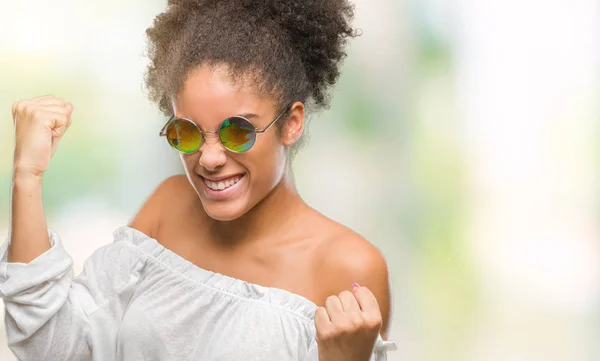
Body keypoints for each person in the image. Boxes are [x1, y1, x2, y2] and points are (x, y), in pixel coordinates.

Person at [0, 0, 397, 360]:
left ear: (291, 124)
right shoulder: (168, 207)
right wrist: (27, 177)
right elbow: (52, 347)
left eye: (237, 131)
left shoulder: (349, 266)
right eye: (186, 132)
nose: (207, 159)